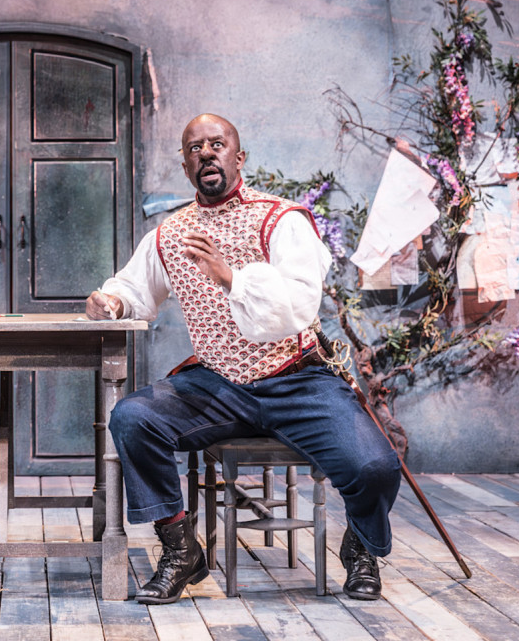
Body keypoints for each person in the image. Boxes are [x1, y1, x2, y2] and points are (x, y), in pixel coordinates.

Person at [87, 113, 402, 605]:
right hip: (218, 386)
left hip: (296, 380)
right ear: (185, 165)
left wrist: (230, 277)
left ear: (239, 157)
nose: (206, 154)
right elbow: (135, 289)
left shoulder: (282, 219)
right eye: (194, 148)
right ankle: (180, 550)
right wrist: (111, 301)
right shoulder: (171, 234)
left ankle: (361, 545)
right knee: (132, 418)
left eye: (217, 144)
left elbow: (301, 304)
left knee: (376, 466)